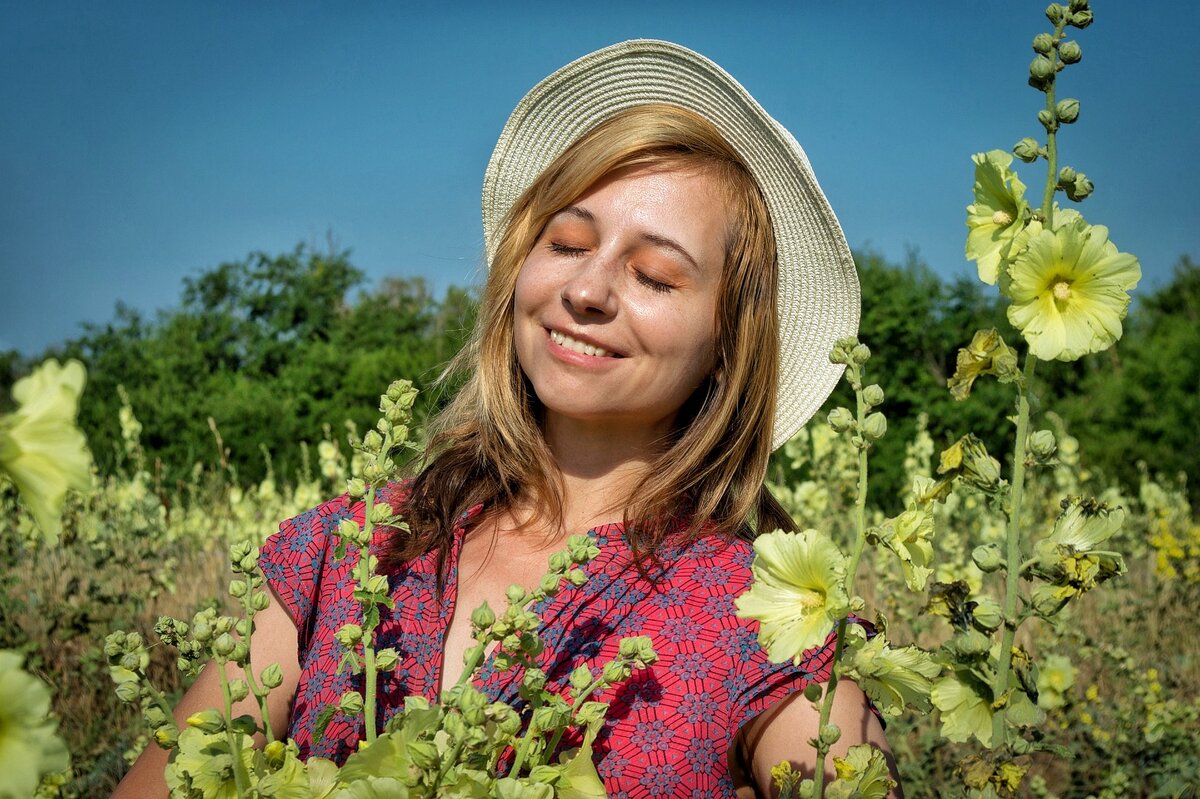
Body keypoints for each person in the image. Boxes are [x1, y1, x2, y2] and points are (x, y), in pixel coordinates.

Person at [113, 39, 896, 798]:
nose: (586, 289)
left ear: (729, 344)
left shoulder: (774, 625)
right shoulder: (346, 553)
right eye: (566, 242)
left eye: (654, 276)